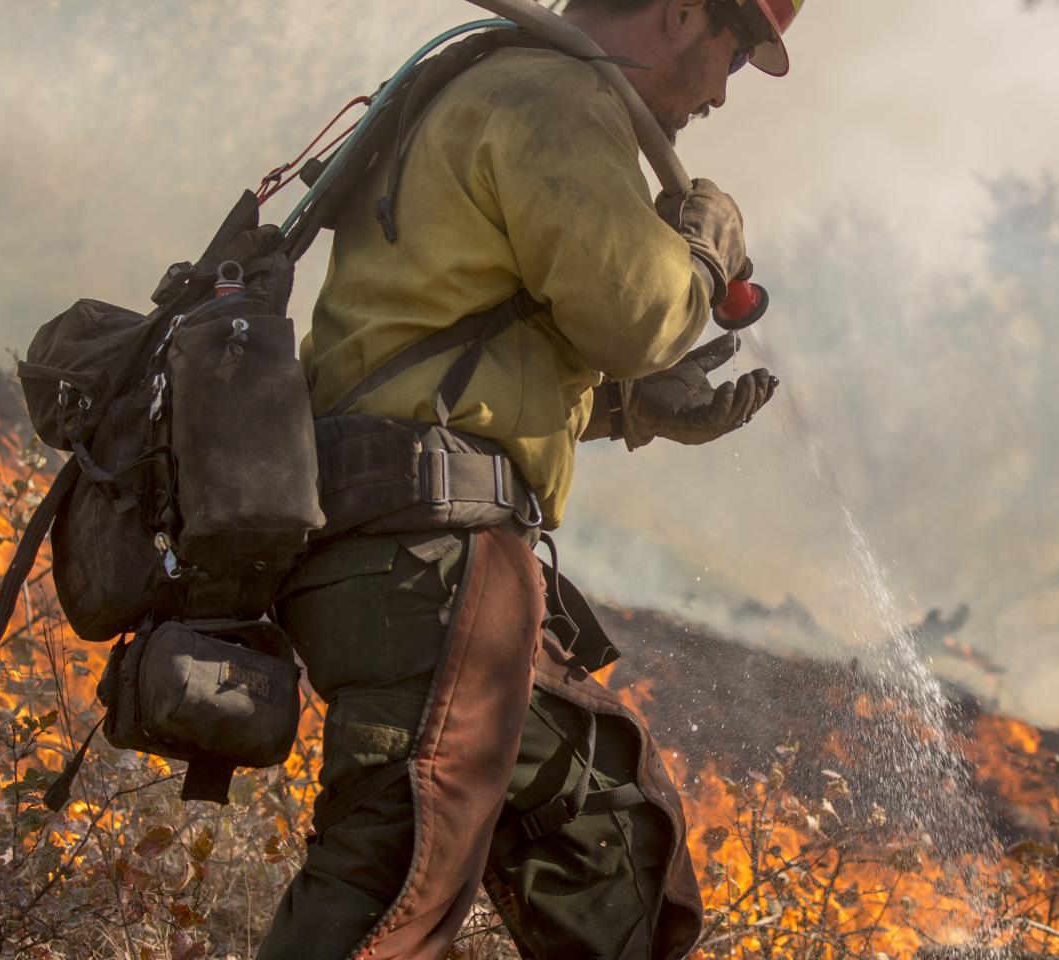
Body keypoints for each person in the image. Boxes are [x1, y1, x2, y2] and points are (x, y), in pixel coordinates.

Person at [256, 1, 802, 958]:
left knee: (609, 850)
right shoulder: (556, 94)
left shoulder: (493, 85)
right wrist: (706, 246)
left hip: (405, 549)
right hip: (433, 559)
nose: (721, 94)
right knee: (394, 886)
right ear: (680, 12)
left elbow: (462, 366)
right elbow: (634, 314)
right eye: (734, 55)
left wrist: (638, 411)